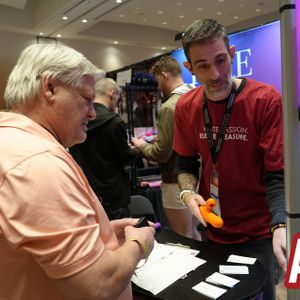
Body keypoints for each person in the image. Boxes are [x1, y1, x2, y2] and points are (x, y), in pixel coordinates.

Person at [0, 43, 155, 300]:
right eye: (86, 99)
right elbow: (98, 286)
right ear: (49, 87)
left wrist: (98, 234)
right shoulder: (39, 162)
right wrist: (139, 243)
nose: (93, 113)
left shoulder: (12, 141)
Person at [173, 18, 286, 299]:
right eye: (203, 66)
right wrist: (188, 194)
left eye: (221, 60)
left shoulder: (265, 100)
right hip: (213, 229)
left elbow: (277, 175)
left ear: (233, 53)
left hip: (259, 233)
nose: (214, 74)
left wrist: (281, 225)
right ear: (189, 68)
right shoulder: (185, 107)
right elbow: (185, 163)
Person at [131, 56, 201, 240]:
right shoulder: (196, 96)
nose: (157, 86)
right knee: (194, 231)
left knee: (183, 235)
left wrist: (142, 145)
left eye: (157, 80)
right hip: (197, 176)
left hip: (175, 179)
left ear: (163, 75)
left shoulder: (169, 106)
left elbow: (162, 153)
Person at [69, 78, 138, 220]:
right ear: (112, 93)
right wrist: (137, 150)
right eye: (118, 98)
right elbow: (125, 157)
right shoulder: (114, 122)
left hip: (86, 191)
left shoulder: (77, 121)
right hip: (114, 194)